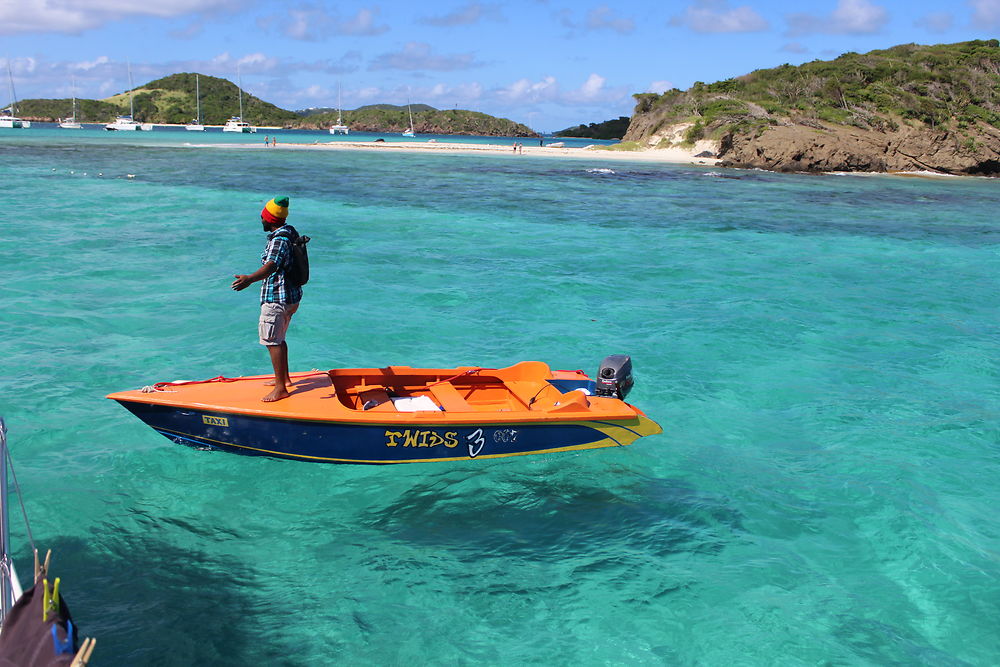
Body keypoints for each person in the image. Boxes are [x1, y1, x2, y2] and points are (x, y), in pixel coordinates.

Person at [231, 196, 302, 402]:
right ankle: (285, 379)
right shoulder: (289, 233)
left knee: (272, 340)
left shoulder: (279, 240)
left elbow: (272, 265)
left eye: (262, 217)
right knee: (279, 338)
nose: (261, 220)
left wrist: (250, 279)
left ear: (269, 219)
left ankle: (280, 388)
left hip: (277, 298)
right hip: (289, 297)